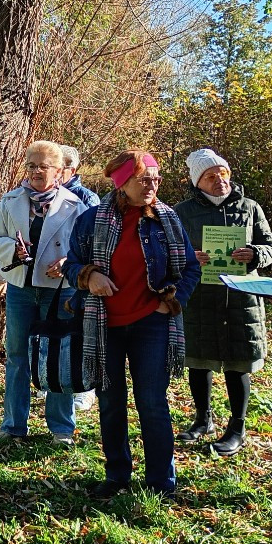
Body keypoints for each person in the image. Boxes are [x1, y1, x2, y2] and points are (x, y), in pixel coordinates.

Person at [63, 150, 200, 498]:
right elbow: (71, 264)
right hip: (104, 324)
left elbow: (190, 269)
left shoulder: (166, 219)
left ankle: (160, 482)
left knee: (152, 402)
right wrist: (87, 276)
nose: (152, 185)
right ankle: (117, 475)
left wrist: (170, 303)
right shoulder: (92, 220)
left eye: (156, 179)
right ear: (122, 183)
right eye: (144, 179)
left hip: (150, 325)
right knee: (110, 402)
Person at [173, 149, 272, 456]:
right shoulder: (183, 211)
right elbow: (171, 250)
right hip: (200, 296)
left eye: (223, 173)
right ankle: (202, 420)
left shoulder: (250, 207)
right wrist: (188, 258)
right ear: (198, 182)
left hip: (240, 297)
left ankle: (237, 428)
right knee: (199, 359)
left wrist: (255, 255)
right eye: (210, 175)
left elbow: (270, 245)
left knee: (237, 362)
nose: (219, 180)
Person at [0, 140, 86, 445]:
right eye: (32, 165)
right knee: (16, 356)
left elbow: (87, 246)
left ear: (59, 171)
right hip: (21, 287)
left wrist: (69, 262)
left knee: (58, 356)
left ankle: (61, 429)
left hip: (60, 291)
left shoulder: (76, 205)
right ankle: (14, 425)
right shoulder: (10, 200)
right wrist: (11, 250)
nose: (37, 171)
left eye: (44, 166)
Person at [60, 144, 100, 413]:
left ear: (71, 169)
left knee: (85, 336)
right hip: (52, 281)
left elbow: (98, 241)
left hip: (81, 280)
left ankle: (87, 389)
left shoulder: (87, 199)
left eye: (57, 165)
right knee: (61, 337)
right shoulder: (43, 195)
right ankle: (59, 383)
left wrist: (76, 267)